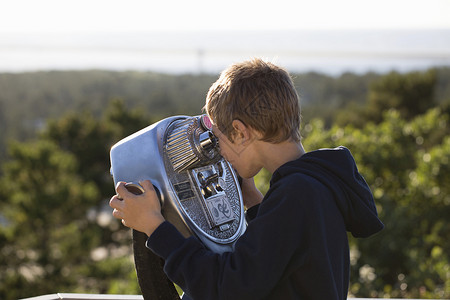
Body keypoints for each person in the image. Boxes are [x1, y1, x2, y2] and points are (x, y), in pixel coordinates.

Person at [109, 58, 384, 299]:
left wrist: (154, 226)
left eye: (218, 139)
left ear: (240, 132)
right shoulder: (318, 183)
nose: (220, 153)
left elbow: (228, 288)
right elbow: (280, 262)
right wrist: (254, 201)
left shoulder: (295, 194)